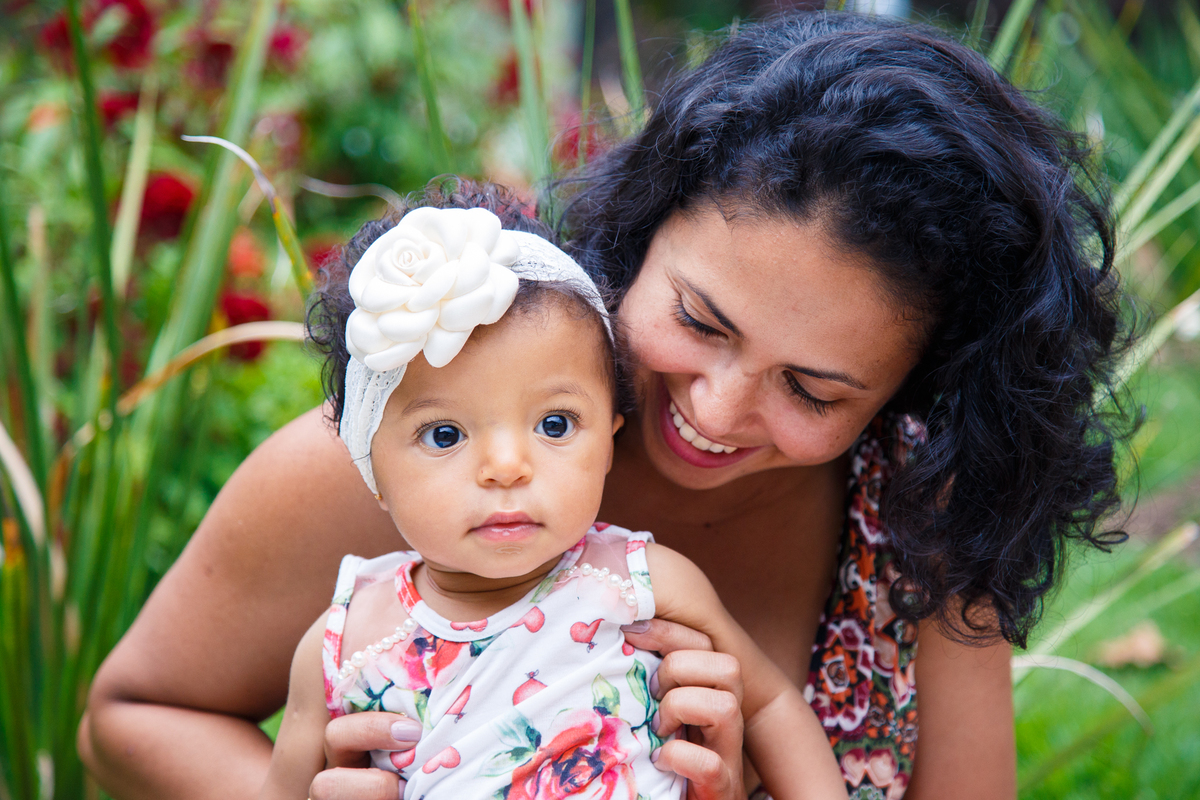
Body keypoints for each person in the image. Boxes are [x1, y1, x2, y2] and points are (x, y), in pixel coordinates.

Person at [79, 11, 1131, 800]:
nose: (716, 408)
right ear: (644, 224)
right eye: (700, 319)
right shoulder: (412, 445)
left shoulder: (919, 510)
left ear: (917, 386)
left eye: (813, 388)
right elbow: (131, 713)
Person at [258, 204, 847, 799]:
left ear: (609, 442)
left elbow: (771, 706)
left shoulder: (641, 582)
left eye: (557, 424)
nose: (508, 467)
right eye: (445, 435)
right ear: (373, 473)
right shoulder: (347, 641)